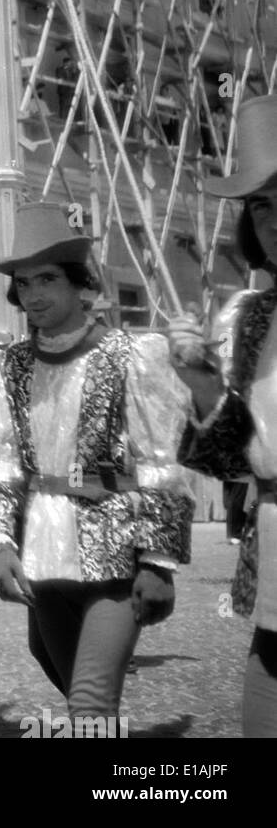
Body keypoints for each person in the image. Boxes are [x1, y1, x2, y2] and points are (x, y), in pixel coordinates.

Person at [0, 202, 194, 722]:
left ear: (81, 284)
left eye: (46, 279)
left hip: (115, 551)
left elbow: (161, 460)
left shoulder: (132, 355)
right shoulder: (6, 367)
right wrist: (0, 545)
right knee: (72, 690)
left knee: (91, 703)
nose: (33, 295)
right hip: (43, 554)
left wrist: (158, 560)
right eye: (23, 283)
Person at [169, 93, 277, 736]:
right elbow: (230, 461)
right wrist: (204, 386)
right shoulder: (256, 318)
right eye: (261, 207)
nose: (273, 222)